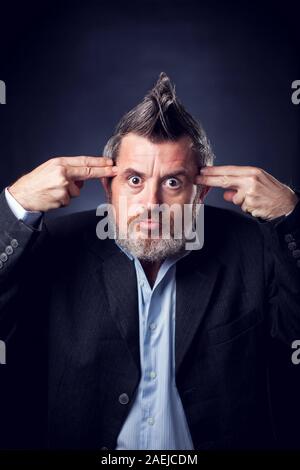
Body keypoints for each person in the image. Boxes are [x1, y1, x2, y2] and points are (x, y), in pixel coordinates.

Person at [0, 72, 299, 450]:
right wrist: (16, 205)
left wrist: (291, 216)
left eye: (172, 182)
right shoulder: (54, 246)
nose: (152, 204)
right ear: (109, 187)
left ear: (200, 191)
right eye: (135, 180)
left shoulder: (255, 248)